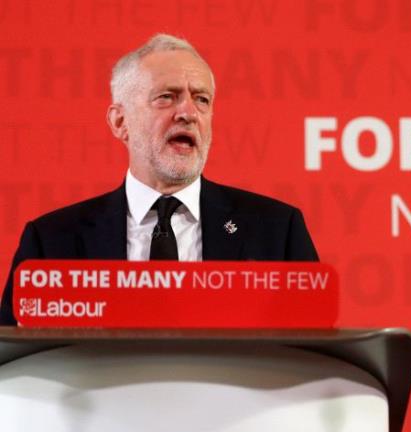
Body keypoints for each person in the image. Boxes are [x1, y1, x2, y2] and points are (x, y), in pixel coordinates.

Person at [0, 34, 318, 325]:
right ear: (120, 121)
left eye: (202, 100)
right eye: (167, 97)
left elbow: (311, 360)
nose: (188, 113)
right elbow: (16, 366)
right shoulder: (52, 242)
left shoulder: (278, 231)